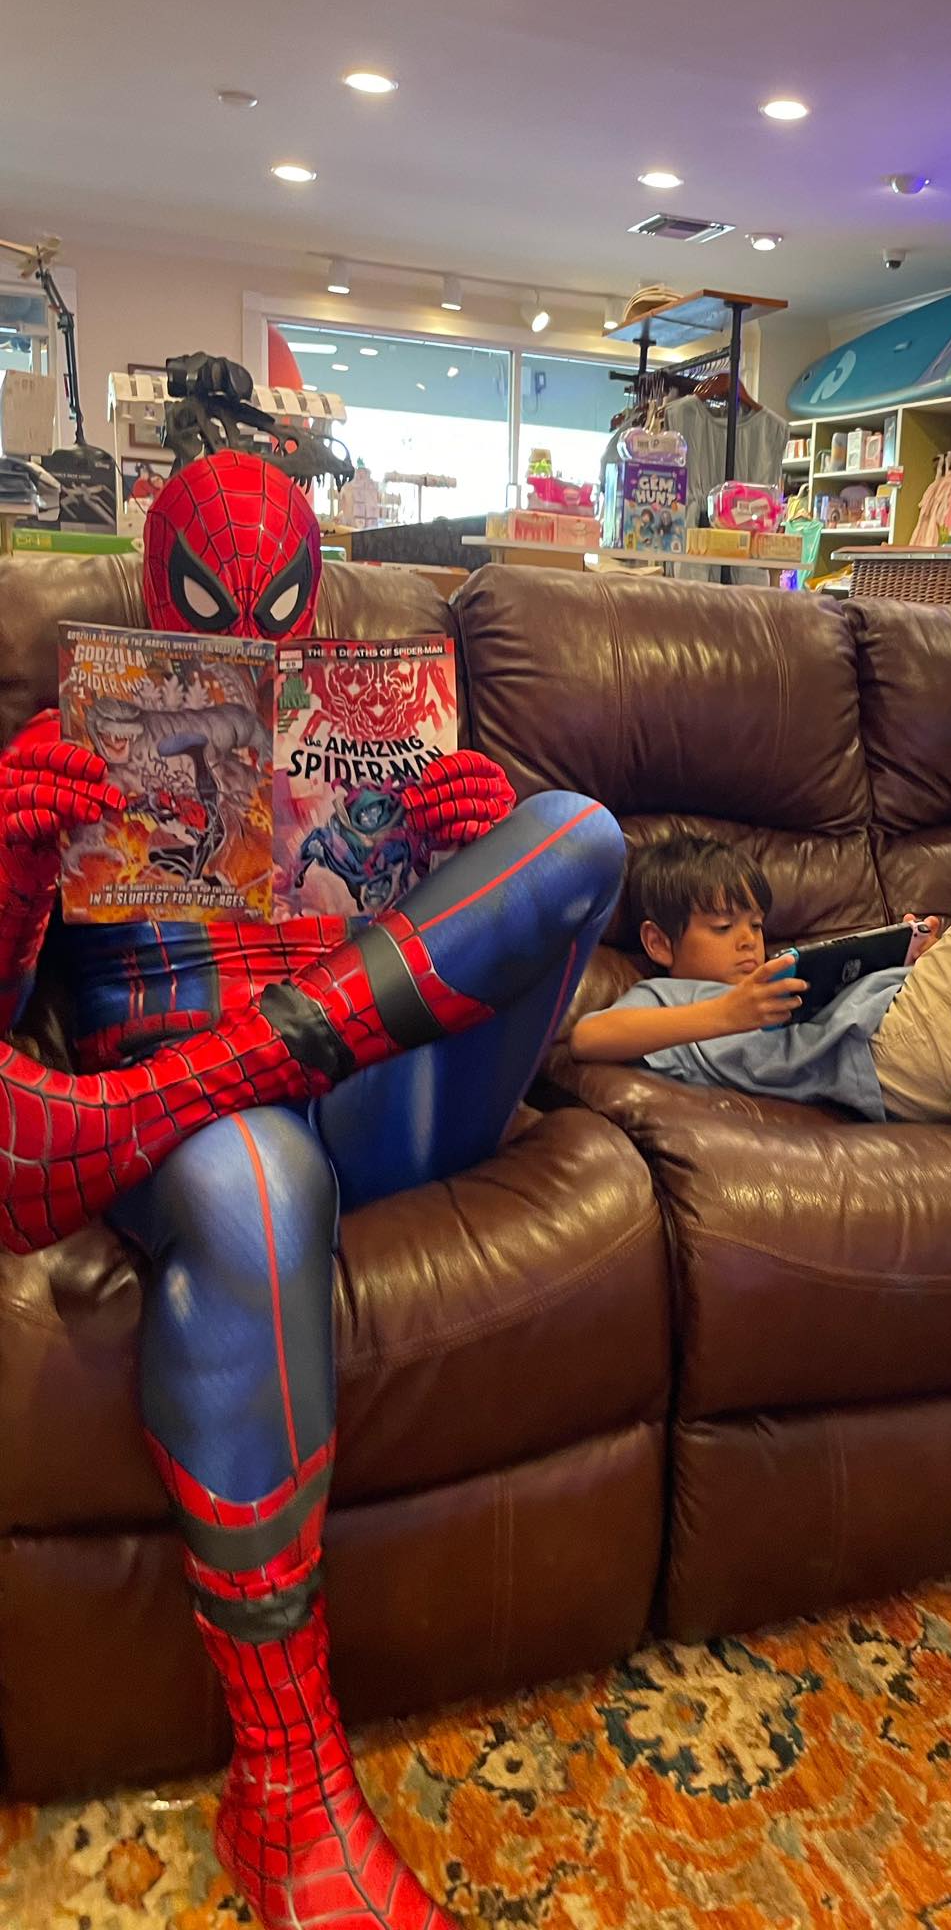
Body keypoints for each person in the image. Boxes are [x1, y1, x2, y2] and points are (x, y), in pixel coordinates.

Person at [0, 448, 625, 1930]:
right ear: (156, 581)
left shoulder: (377, 726)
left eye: (278, 603)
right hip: (228, 1136)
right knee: (252, 1187)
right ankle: (286, 1781)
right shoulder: (62, 733)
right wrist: (17, 861)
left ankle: (184, 1090)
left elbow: (525, 914)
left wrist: (466, 842)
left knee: (579, 831)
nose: (249, 635)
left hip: (341, 1082)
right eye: (212, 600)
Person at [571, 832, 951, 1174]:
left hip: (902, 1025)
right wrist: (726, 1014)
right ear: (658, 942)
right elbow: (589, 1037)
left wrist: (911, 961)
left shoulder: (772, 980)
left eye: (755, 925)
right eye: (722, 926)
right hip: (892, 1057)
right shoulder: (672, 1000)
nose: (747, 941)